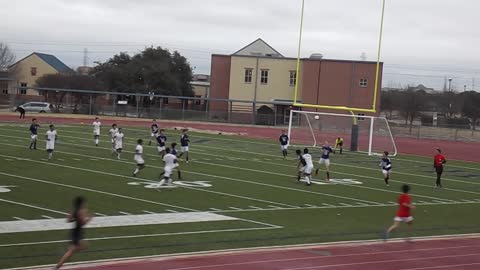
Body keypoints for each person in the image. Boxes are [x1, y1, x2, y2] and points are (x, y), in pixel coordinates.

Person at [54, 196, 92, 269]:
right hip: (78, 232)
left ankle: (64, 258)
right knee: (78, 248)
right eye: (84, 203)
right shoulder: (81, 211)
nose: (85, 204)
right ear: (81, 203)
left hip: (75, 231)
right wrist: (89, 218)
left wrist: (75, 219)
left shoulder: (74, 210)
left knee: (82, 246)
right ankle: (58, 266)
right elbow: (83, 223)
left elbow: (68, 220)